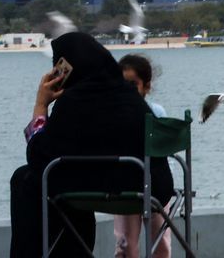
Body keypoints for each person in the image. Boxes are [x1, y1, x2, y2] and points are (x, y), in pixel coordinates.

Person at [10, 33, 174, 258]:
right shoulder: (133, 100)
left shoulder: (72, 104)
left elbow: (38, 157)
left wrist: (41, 105)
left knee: (27, 179)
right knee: (64, 180)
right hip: (149, 189)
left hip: (91, 189)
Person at [113, 54, 171, 258]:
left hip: (156, 186)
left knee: (161, 243)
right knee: (126, 245)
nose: (128, 90)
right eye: (123, 84)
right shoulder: (113, 115)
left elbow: (165, 148)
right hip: (126, 186)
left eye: (133, 84)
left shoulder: (156, 112)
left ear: (146, 86)